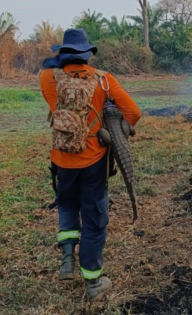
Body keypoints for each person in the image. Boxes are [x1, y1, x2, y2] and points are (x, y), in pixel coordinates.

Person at [39, 28, 141, 302]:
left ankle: (67, 261)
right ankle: (93, 283)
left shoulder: (47, 78)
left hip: (61, 159)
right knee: (94, 220)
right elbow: (134, 112)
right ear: (87, 54)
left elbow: (55, 108)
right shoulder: (104, 81)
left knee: (67, 205)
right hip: (94, 162)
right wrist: (122, 129)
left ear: (62, 53)